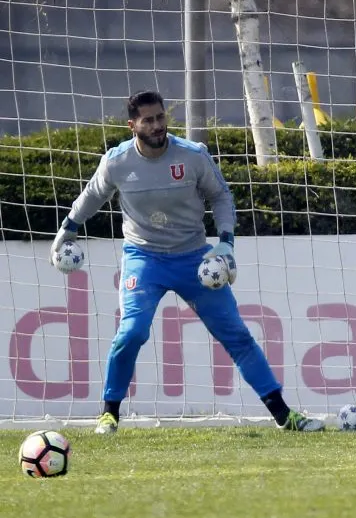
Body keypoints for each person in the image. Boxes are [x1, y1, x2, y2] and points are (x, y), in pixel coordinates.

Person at [50, 90, 324, 434]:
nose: (157, 125)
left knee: (237, 335)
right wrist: (67, 229)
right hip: (143, 258)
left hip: (194, 258)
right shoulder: (117, 162)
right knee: (131, 332)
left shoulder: (192, 156)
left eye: (160, 117)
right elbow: (92, 195)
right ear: (132, 125)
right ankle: (109, 413)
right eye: (148, 120)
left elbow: (221, 196)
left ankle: (285, 416)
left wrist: (225, 244)